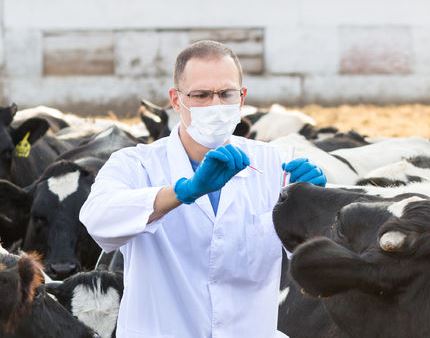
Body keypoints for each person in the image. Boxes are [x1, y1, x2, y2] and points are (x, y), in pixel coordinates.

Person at [79, 40, 326, 338]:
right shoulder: (137, 165)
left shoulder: (275, 165)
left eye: (226, 94)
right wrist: (184, 192)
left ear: (242, 97)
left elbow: (309, 259)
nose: (215, 106)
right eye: (201, 95)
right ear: (175, 99)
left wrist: (313, 208)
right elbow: (98, 220)